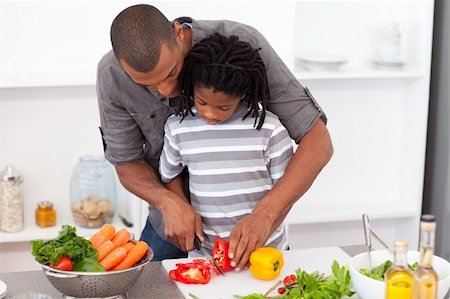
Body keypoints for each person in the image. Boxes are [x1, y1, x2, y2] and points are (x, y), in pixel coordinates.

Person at [97, 4, 333, 271]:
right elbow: (127, 164)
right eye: (147, 85)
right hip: (169, 226)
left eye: (172, 72)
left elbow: (318, 142)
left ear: (177, 33)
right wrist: (169, 202)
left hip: (254, 233)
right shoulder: (111, 75)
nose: (167, 89)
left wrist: (265, 216)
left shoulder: (242, 45)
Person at [159, 33, 293, 254]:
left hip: (266, 252)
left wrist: (262, 226)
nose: (210, 114)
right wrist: (182, 207)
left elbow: (286, 192)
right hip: (205, 256)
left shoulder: (269, 129)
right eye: (202, 102)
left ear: (242, 95)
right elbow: (169, 175)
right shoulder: (178, 128)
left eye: (224, 107)